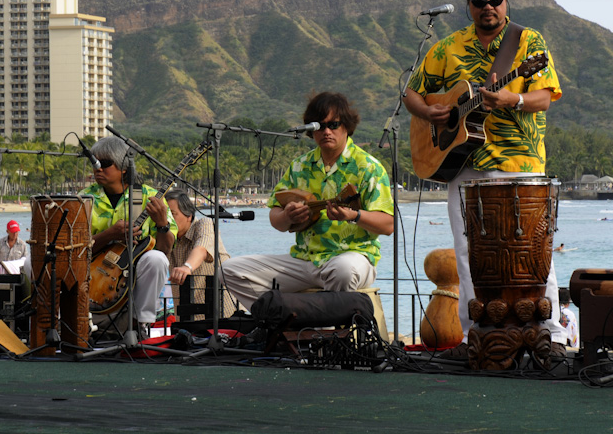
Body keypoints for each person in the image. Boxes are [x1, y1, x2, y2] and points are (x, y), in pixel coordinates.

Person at [402, 0, 566, 357]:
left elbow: (545, 95)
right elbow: (412, 93)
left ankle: (551, 335)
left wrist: (515, 99)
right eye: (479, 2)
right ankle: (477, 334)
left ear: (506, 1)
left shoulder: (527, 42)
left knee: (535, 250)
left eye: (495, 0)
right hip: (465, 164)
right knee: (467, 251)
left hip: (520, 164)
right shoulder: (447, 47)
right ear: (468, 4)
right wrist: (431, 113)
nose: (488, 7)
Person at [222, 91, 395, 310]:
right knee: (229, 271)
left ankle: (324, 333)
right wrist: (287, 216)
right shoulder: (299, 166)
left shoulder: (368, 167)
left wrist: (354, 216)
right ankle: (282, 322)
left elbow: (388, 225)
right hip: (304, 260)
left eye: (334, 124)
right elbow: (276, 218)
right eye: (319, 126)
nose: (326, 131)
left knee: (343, 271)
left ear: (347, 126)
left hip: (351, 256)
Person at [80, 135, 176, 339]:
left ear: (124, 167)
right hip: (93, 272)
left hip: (130, 275)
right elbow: (75, 248)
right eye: (94, 163)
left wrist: (162, 224)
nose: (98, 169)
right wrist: (109, 235)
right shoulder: (84, 198)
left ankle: (141, 324)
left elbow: (166, 249)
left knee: (156, 259)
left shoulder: (149, 196)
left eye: (105, 164)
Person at [164, 189, 237, 320]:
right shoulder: (165, 237)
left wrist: (187, 267)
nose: (167, 220)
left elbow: (202, 249)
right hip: (186, 319)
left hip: (223, 316)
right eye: (164, 215)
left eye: (172, 214)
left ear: (188, 216)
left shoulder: (205, 224)